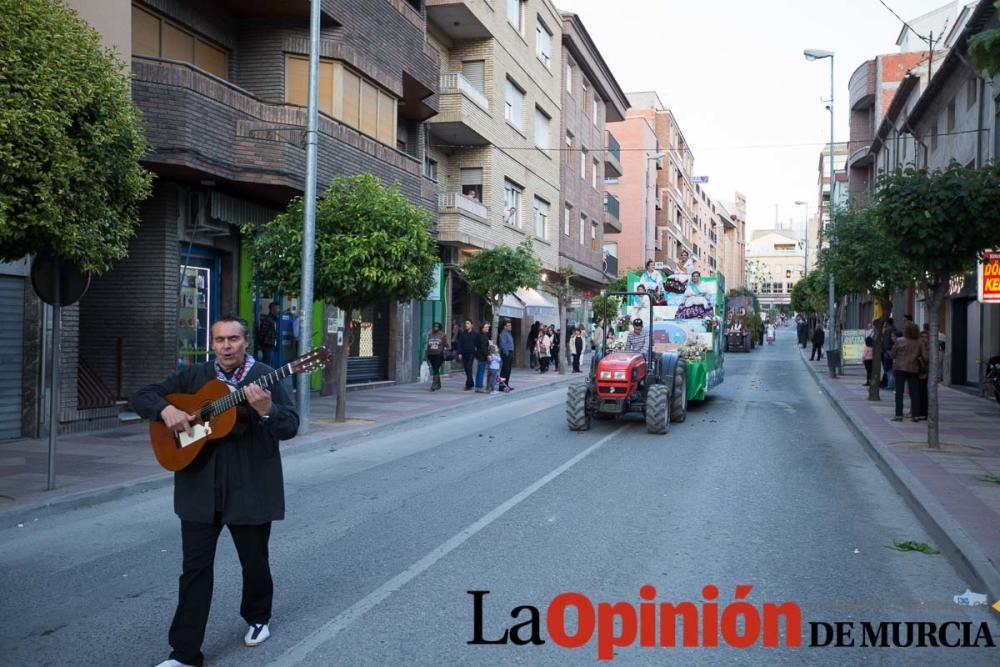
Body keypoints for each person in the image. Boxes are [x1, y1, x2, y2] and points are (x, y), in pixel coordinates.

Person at [131, 315, 299, 667]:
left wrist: (267, 410)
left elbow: (290, 426)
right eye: (220, 339)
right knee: (194, 569)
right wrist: (167, 409)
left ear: (245, 341)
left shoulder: (264, 376)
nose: (226, 346)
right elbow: (141, 395)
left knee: (254, 562)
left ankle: (257, 617)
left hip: (250, 486)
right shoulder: (194, 377)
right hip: (199, 488)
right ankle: (184, 653)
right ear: (212, 343)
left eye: (233, 339)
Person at [890, 321, 924, 422]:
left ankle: (898, 415)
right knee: (914, 392)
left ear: (906, 331)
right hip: (913, 369)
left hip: (900, 368)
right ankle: (915, 415)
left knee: (899, 392)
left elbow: (892, 355)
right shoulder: (919, 342)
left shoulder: (899, 341)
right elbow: (925, 357)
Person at [425, 322, 448, 391]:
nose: (435, 328)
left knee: (436, 368)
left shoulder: (442, 335)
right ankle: (439, 384)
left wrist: (442, 344)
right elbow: (428, 346)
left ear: (439, 327)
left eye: (437, 326)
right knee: (435, 369)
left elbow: (446, 344)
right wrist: (426, 355)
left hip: (439, 355)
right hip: (431, 354)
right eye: (434, 326)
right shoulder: (430, 335)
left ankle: (434, 384)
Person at [456, 319, 477, 391]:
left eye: (468, 323)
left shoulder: (475, 334)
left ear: (472, 325)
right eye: (465, 323)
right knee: (466, 369)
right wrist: (459, 353)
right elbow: (459, 343)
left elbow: (477, 344)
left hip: (471, 353)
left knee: (469, 368)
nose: (466, 325)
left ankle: (468, 384)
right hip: (464, 353)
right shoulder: (462, 334)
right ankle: (471, 382)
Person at [880, 317, 897, 390]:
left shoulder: (888, 330)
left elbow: (886, 342)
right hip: (891, 351)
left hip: (887, 352)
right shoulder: (895, 329)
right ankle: (887, 383)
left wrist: (885, 351)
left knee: (887, 368)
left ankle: (890, 384)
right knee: (889, 368)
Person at [474, 322, 491, 393]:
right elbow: (483, 348)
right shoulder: (483, 337)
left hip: (479, 355)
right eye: (486, 327)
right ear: (482, 328)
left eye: (488, 327)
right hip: (482, 356)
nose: (487, 329)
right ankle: (479, 387)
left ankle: (478, 386)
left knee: (479, 371)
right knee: (481, 371)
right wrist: (488, 356)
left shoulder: (479, 335)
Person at [917, 330, 930, 421]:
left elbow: (927, 360)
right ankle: (918, 411)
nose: (924, 339)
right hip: (917, 372)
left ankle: (923, 412)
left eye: (926, 337)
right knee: (917, 393)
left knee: (923, 393)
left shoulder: (929, 348)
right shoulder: (919, 347)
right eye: (922, 337)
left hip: (925, 373)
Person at [498, 319, 515, 390]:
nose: (510, 327)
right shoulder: (503, 333)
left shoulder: (509, 333)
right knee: (504, 370)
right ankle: (502, 386)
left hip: (510, 352)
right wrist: (506, 353)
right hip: (506, 353)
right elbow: (502, 345)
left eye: (510, 325)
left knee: (508, 370)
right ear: (505, 327)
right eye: (508, 326)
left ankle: (506, 384)